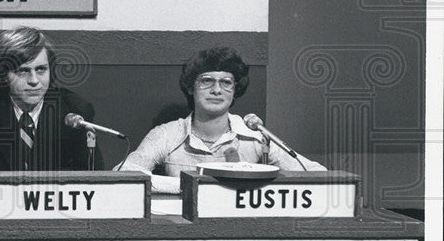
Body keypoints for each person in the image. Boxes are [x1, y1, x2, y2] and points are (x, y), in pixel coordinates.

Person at [119, 47, 325, 192]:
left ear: (235, 91)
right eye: (207, 81)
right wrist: (190, 187)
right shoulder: (167, 134)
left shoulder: (255, 136)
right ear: (191, 88)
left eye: (226, 82)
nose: (216, 90)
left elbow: (316, 173)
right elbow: (126, 173)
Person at [0, 26, 102, 194]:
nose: (34, 81)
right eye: (23, 71)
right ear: (3, 73)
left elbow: (90, 177)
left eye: (41, 69)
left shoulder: (74, 110)